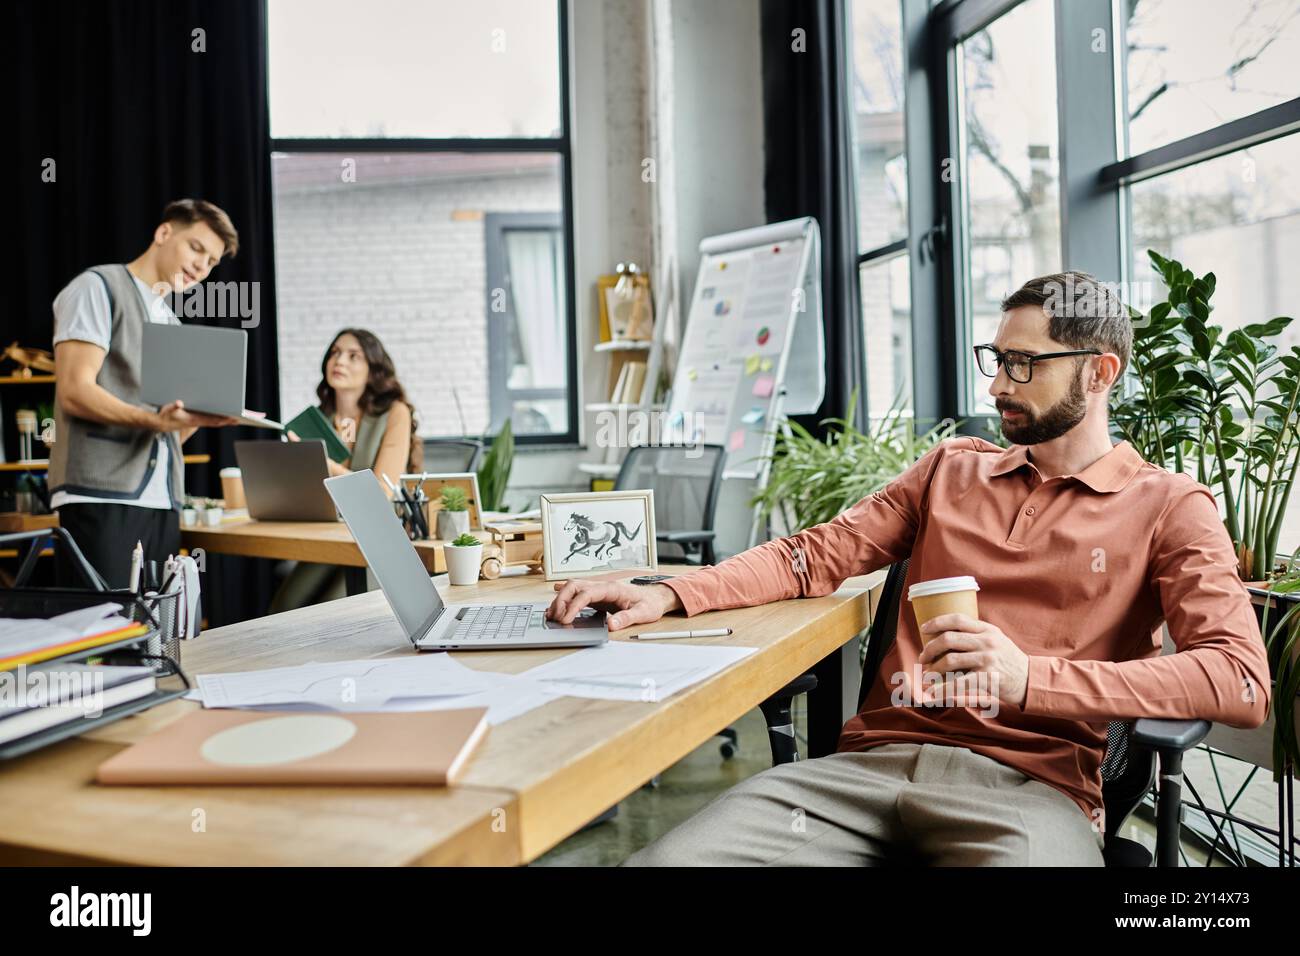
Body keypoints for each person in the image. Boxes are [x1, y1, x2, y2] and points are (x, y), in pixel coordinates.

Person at [546, 271, 1272, 866]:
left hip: (1028, 793)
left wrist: (1029, 678)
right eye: (997, 359)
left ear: (1100, 372)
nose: (997, 387)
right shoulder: (952, 469)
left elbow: (1240, 679)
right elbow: (814, 554)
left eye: (1024, 365)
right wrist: (668, 591)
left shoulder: (1169, 506)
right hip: (865, 771)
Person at [49, 199, 240, 588]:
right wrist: (157, 420)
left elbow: (167, 430)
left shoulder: (170, 319)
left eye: (212, 262)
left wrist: (200, 418)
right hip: (102, 496)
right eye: (197, 248)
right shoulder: (96, 287)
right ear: (164, 232)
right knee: (103, 633)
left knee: (155, 633)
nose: (202, 266)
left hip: (161, 500)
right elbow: (74, 391)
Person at [270, 329, 421, 610]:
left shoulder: (394, 412)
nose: (339, 361)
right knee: (284, 607)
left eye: (354, 356)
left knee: (330, 614)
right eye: (335, 353)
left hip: (375, 539)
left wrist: (326, 466)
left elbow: (380, 492)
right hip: (329, 534)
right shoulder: (319, 419)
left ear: (373, 370)